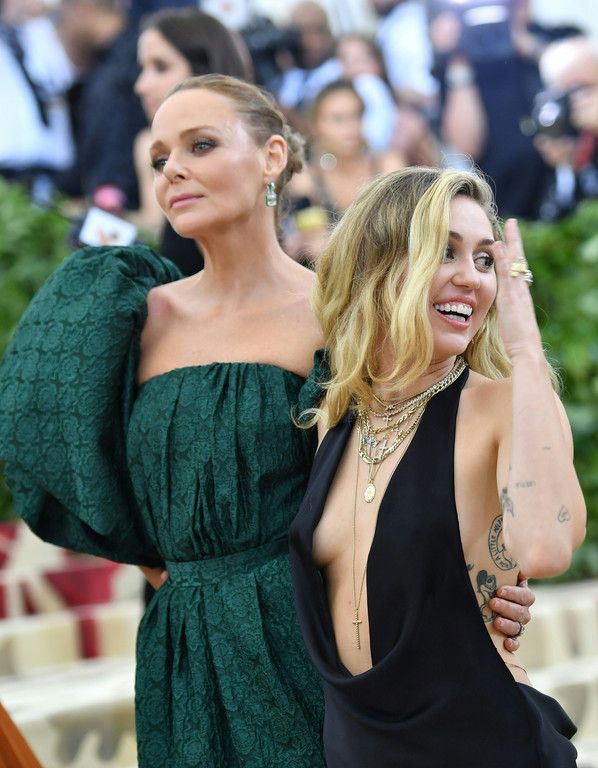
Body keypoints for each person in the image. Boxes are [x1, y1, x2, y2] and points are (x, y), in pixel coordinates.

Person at [0, 76, 534, 767]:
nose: (173, 170)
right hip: (182, 651)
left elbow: (418, 470)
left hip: (315, 638)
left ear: (273, 157)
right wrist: (162, 565)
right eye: (160, 158)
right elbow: (63, 458)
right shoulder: (129, 320)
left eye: (200, 145)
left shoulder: (344, 315)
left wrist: (488, 574)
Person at [289, 166, 586, 767]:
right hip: (359, 747)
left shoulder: (503, 403)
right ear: (377, 264)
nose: (471, 278)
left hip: (479, 743)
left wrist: (527, 352)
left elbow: (546, 549)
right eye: (444, 251)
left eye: (484, 259)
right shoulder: (335, 418)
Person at [133, 8, 251, 274]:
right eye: (161, 161)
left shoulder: (257, 135)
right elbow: (154, 226)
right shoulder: (145, 142)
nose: (141, 85)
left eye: (160, 67)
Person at [286, 78, 406, 262]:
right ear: (315, 125)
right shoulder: (307, 179)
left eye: (355, 116)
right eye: (338, 119)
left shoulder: (387, 164)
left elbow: (401, 232)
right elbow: (315, 246)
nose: (350, 128)